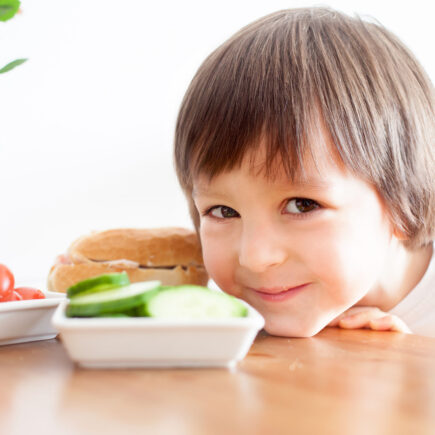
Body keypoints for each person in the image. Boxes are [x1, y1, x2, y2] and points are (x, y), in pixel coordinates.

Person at [173, 7, 435, 337]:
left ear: (402, 203)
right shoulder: (227, 318)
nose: (255, 257)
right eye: (223, 211)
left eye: (302, 204)